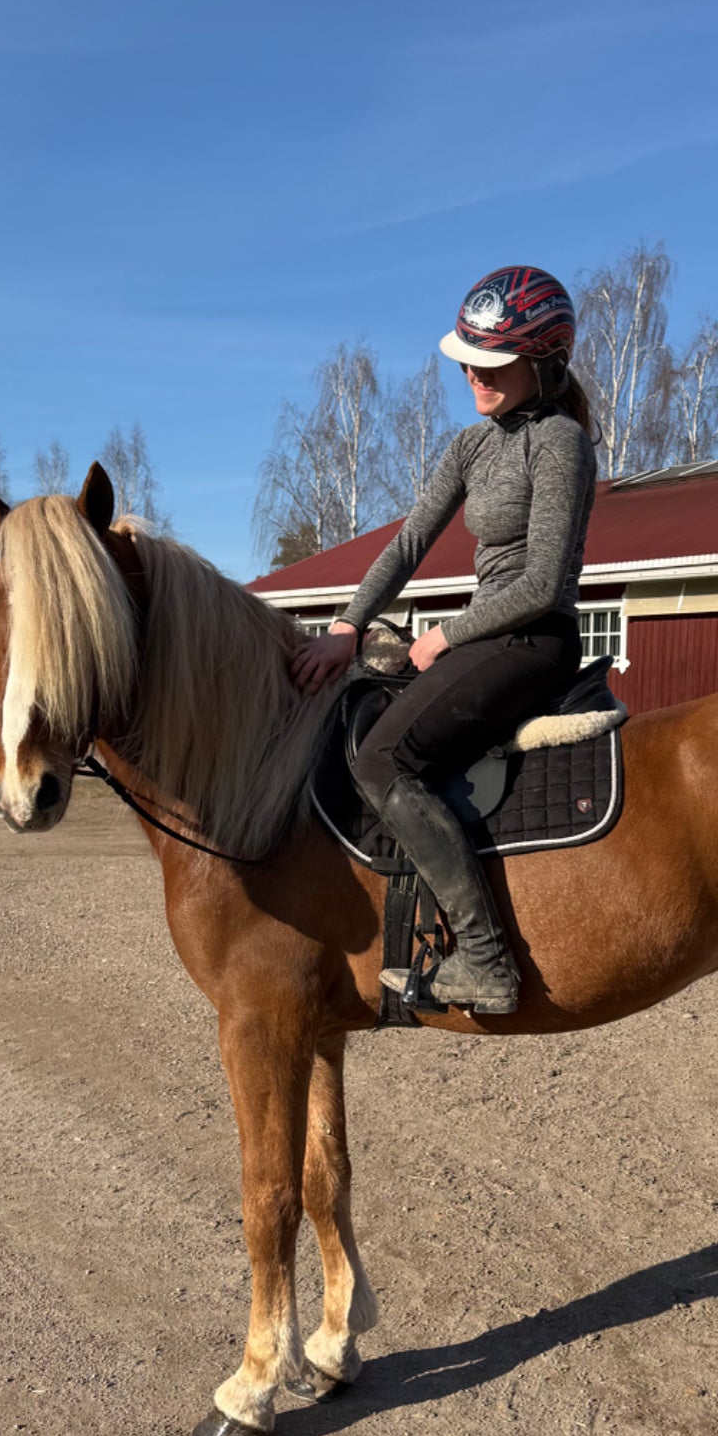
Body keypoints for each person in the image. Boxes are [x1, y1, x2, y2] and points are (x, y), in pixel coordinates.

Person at [291, 266, 599, 1015]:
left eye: (492, 362)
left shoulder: (560, 443)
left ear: (544, 362)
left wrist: (444, 635)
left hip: (532, 639)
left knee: (382, 756)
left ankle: (486, 958)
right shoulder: (471, 447)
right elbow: (407, 544)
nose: (472, 374)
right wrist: (346, 626)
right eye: (468, 358)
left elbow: (544, 587)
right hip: (487, 637)